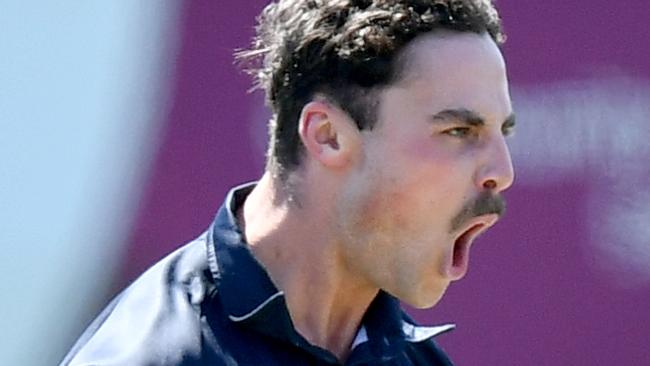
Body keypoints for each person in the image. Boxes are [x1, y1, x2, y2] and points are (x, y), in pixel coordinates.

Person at [61, 0, 516, 365]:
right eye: (459, 132)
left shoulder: (415, 358)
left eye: (505, 132)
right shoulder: (150, 353)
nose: (503, 171)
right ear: (328, 136)